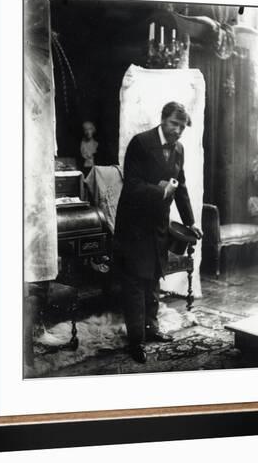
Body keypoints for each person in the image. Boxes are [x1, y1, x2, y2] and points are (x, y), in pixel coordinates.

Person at [113, 102, 202, 364]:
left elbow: (181, 187)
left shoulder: (179, 149)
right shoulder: (140, 143)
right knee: (135, 284)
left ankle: (152, 330)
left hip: (158, 225)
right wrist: (159, 191)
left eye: (182, 127)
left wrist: (190, 221)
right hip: (135, 225)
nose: (178, 131)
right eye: (174, 124)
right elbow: (131, 185)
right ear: (162, 119)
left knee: (153, 279)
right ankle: (135, 342)